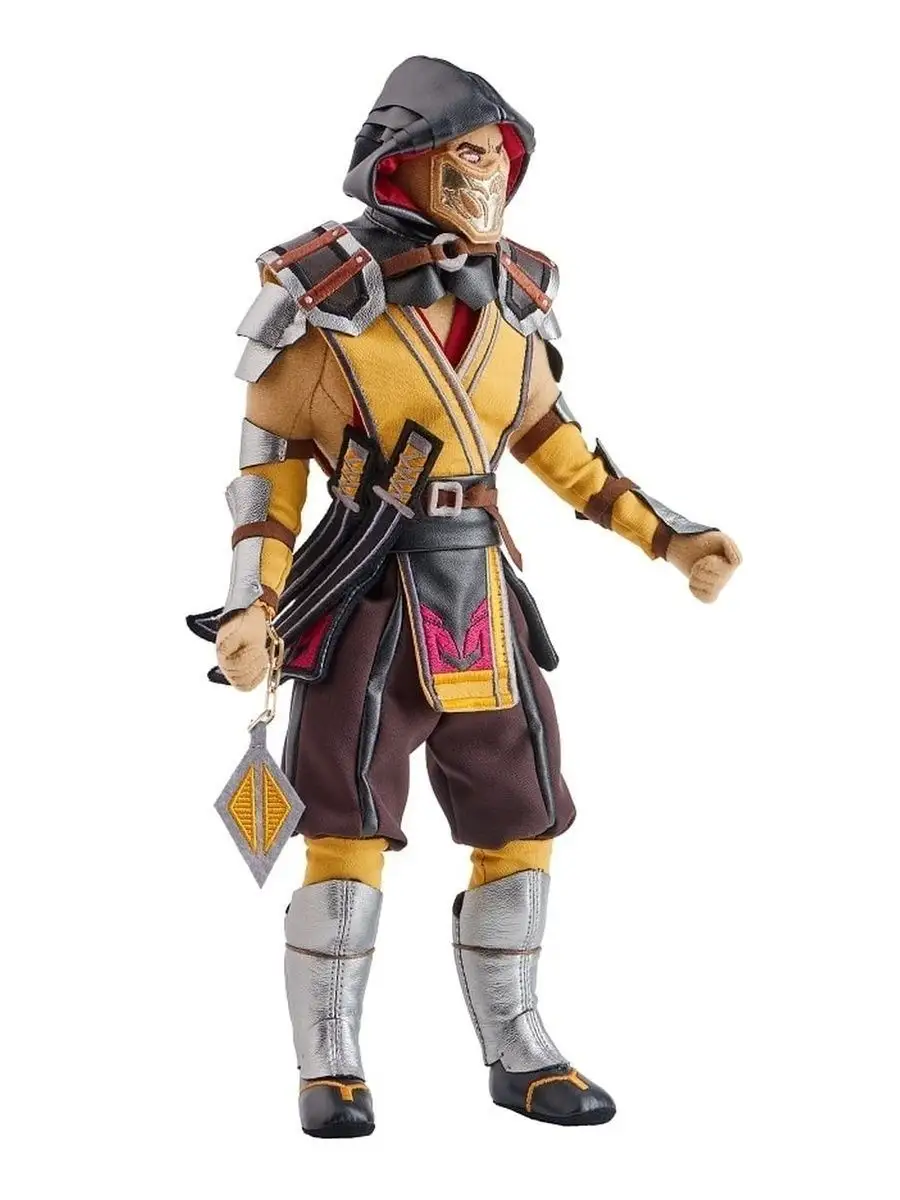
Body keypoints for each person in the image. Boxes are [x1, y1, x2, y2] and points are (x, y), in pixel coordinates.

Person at [190, 55, 741, 1138]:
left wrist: (668, 538)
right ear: (403, 164)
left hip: (480, 593)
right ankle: (331, 1062)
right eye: (464, 153)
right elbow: (269, 471)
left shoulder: (518, 298)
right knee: (346, 818)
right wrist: (251, 603)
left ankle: (517, 1041)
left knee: (524, 813)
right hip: (363, 591)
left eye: (496, 154)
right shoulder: (320, 296)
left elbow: (559, 447)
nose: (484, 174)